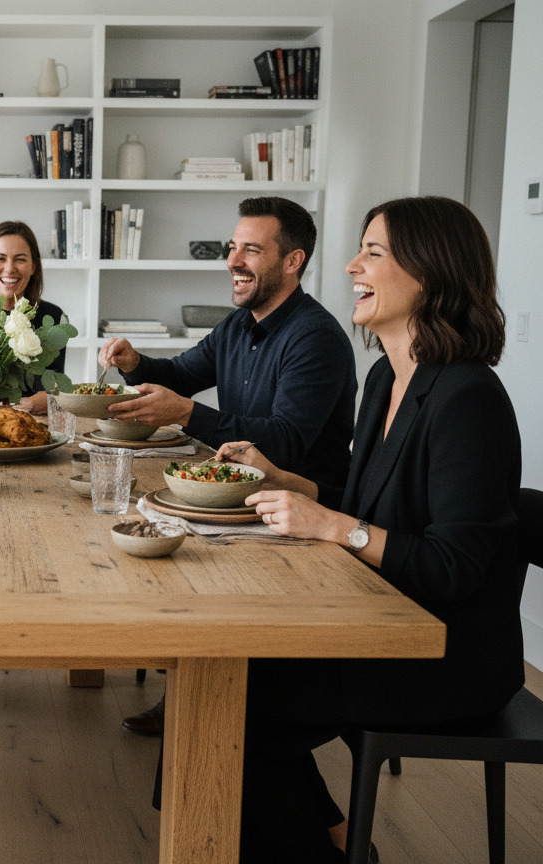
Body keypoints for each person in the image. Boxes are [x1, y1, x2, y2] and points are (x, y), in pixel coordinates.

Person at [224, 196, 522, 862]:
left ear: (431, 274)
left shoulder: (468, 398)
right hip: (382, 618)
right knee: (231, 679)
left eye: (374, 252)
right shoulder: (387, 376)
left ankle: (310, 845)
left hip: (447, 655)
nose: (352, 265)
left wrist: (333, 525)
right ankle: (329, 839)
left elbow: (453, 566)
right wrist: (289, 482)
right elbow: (369, 505)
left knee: (237, 700)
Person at [108, 196, 357, 736]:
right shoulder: (239, 323)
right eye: (232, 247)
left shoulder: (315, 337)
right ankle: (190, 685)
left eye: (251, 250)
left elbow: (285, 443)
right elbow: (181, 374)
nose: (233, 261)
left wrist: (188, 414)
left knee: (168, 552)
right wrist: (135, 363)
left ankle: (208, 704)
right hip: (240, 498)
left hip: (300, 515)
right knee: (147, 540)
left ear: (292, 261)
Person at [0, 220, 67, 414]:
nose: (9, 268)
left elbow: (54, 389)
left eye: (20, 259)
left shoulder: (52, 317)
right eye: (0, 258)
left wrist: (46, 399)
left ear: (33, 267)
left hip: (29, 422)